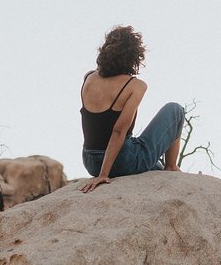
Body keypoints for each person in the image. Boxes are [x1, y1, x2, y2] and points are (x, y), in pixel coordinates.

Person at [78, 25, 185, 193]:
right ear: (134, 57)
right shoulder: (135, 86)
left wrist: (98, 172)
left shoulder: (89, 78)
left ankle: (163, 168)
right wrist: (104, 175)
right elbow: (119, 131)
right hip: (120, 161)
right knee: (175, 110)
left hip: (90, 161)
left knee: (154, 166)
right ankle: (171, 167)